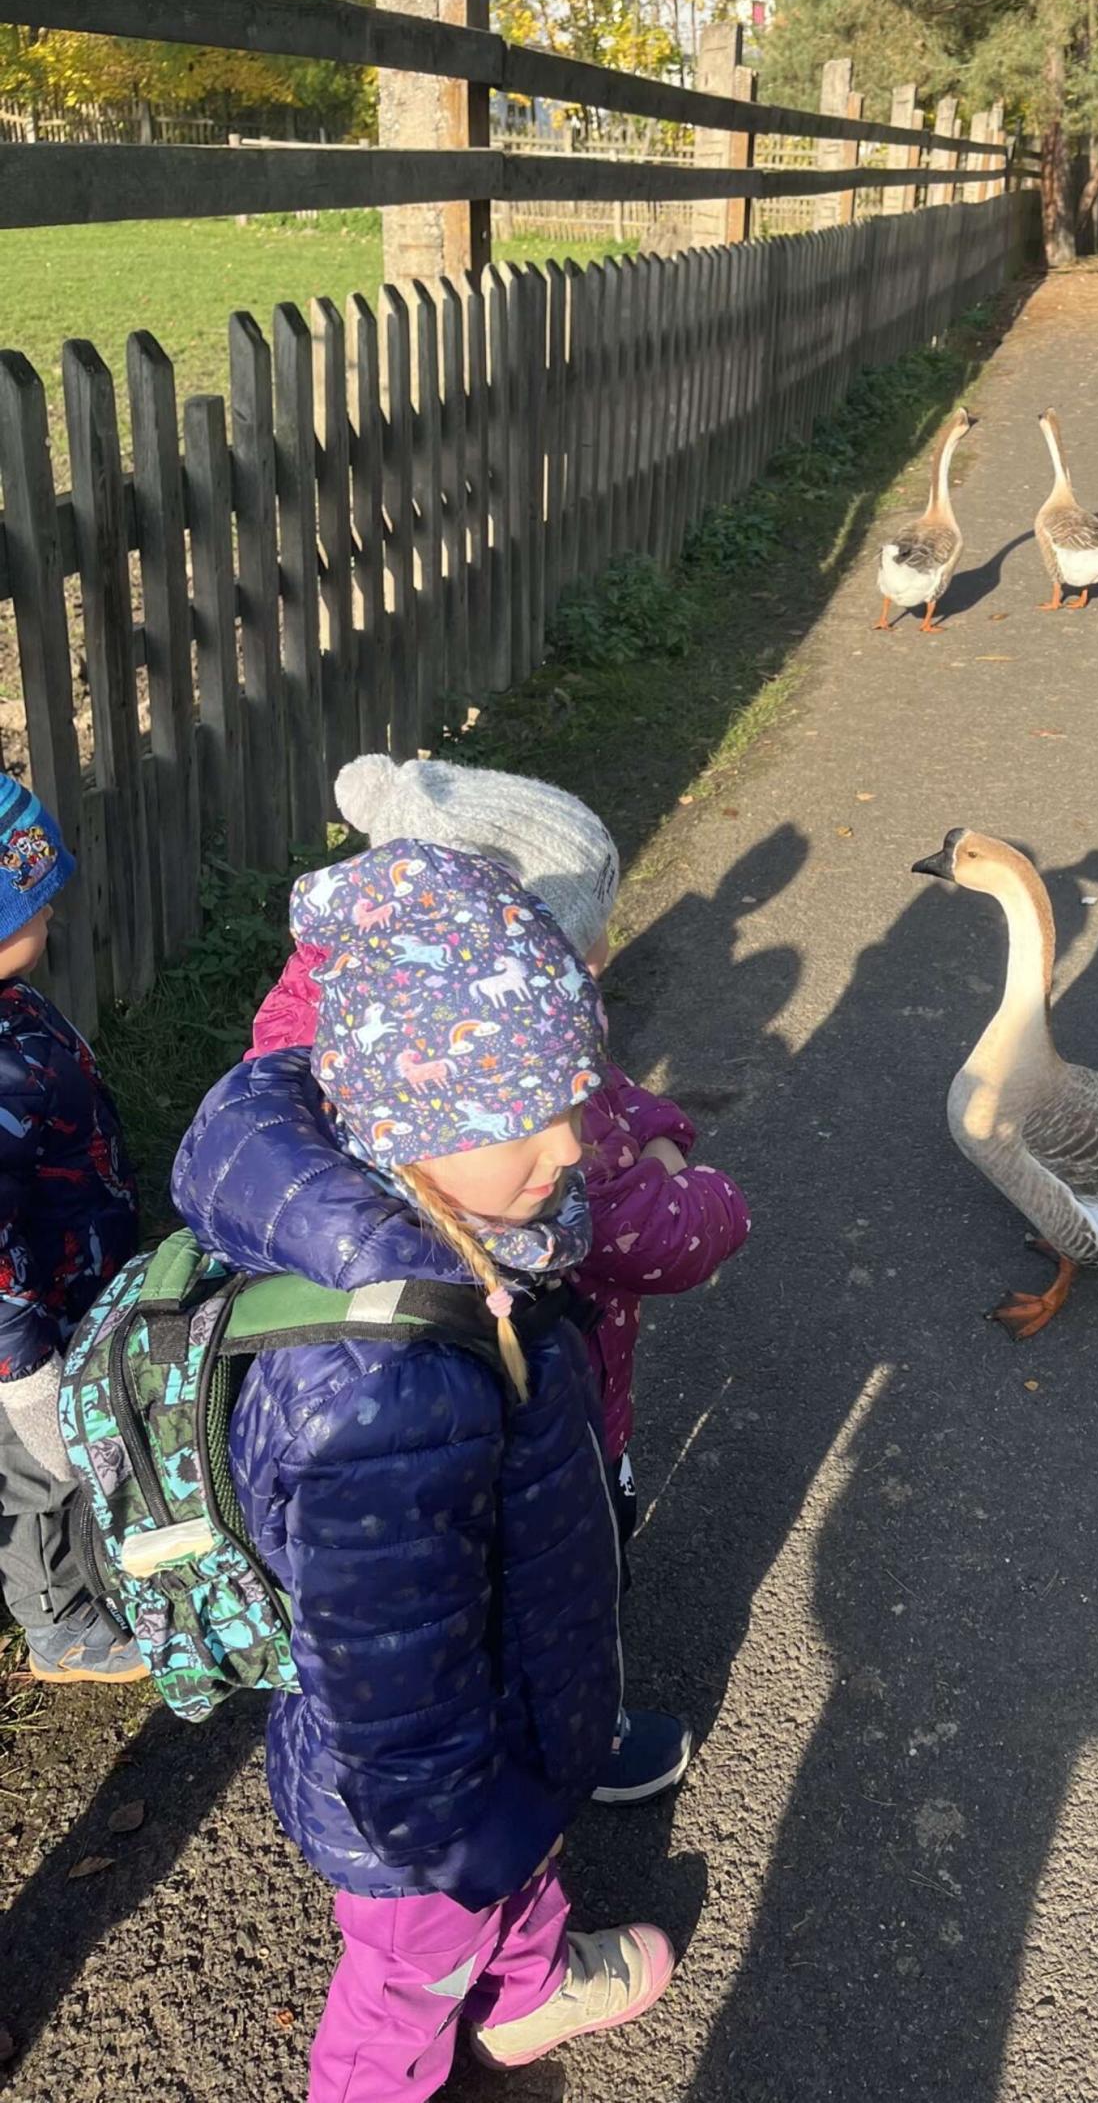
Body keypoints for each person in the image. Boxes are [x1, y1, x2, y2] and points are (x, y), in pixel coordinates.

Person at [173, 841, 674, 2099]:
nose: (568, 1146)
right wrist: (447, 1833)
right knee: (406, 1981)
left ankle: (530, 1993)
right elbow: (381, 1662)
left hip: (504, 1717)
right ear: (408, 1128)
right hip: (425, 1808)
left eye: (574, 1102)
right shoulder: (382, 1383)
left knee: (526, 1859)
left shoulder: (482, 1238)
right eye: (522, 1119)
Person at [248, 756, 752, 1802]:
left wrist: (654, 1123)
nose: (606, 952)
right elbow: (649, 1229)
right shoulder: (499, 1118)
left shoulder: (381, 1027)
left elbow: (606, 1096)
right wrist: (705, 1193)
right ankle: (571, 1743)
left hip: (492, 1394)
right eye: (582, 934)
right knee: (558, 1583)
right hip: (544, 1403)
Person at [0, 778, 142, 1684]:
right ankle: (59, 1626)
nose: (51, 913)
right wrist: (22, 1374)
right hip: (24, 1334)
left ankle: (93, 1571)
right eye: (31, 903)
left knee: (68, 1457)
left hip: (69, 1273)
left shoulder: (11, 1008)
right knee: (37, 1474)